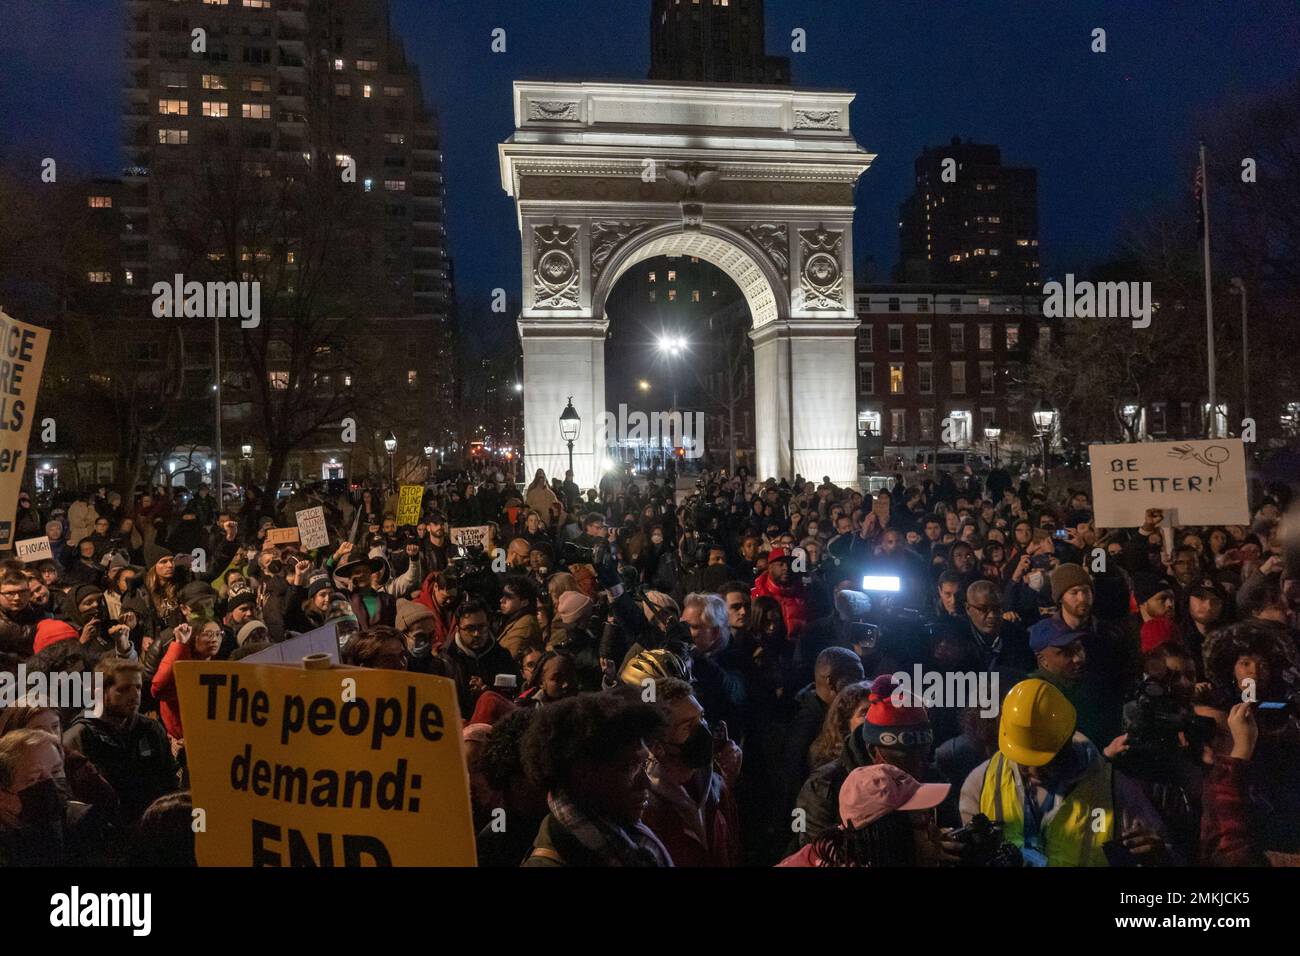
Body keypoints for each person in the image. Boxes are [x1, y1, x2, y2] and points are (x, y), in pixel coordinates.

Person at [960, 678, 1173, 866]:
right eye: (1024, 761)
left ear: (1067, 741)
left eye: (1045, 759)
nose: (1034, 770)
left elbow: (1166, 854)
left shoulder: (1113, 789)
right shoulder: (981, 785)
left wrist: (1159, 857)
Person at [520, 693, 672, 866]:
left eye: (644, 765)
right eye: (629, 768)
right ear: (583, 775)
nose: (646, 782)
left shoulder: (627, 841)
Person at [62, 657, 179, 824]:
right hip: (105, 834)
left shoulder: (150, 729)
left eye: (138, 687)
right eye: (123, 689)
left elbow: (169, 779)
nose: (134, 696)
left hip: (151, 828)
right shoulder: (78, 738)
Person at [641, 677, 743, 867]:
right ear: (658, 746)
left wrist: (728, 780)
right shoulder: (647, 812)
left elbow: (732, 849)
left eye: (702, 718)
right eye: (688, 726)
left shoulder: (716, 786)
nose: (703, 730)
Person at [779, 764, 951, 867]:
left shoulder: (856, 850)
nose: (937, 831)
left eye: (931, 817)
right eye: (924, 823)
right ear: (890, 836)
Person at [436, 600, 520, 719]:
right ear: (458, 628)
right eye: (470, 628)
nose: (476, 634)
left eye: (481, 627)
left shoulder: (502, 656)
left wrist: (487, 693)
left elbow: (515, 696)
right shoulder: (446, 660)